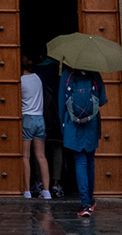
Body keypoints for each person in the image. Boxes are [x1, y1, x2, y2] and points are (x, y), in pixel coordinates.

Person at [59, 65, 105, 216]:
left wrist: (62, 125)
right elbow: (102, 100)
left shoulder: (67, 75)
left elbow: (61, 103)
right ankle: (90, 201)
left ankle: (85, 203)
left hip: (73, 124)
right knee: (90, 161)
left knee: (80, 161)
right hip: (91, 124)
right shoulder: (94, 74)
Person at [20, 59, 52, 199]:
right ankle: (46, 191)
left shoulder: (21, 81)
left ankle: (27, 191)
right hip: (40, 118)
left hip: (27, 118)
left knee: (25, 156)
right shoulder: (38, 79)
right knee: (41, 156)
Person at [34, 55, 66, 196]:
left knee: (38, 151)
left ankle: (40, 181)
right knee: (57, 149)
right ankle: (56, 184)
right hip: (57, 115)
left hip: (40, 113)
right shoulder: (62, 73)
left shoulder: (36, 72)